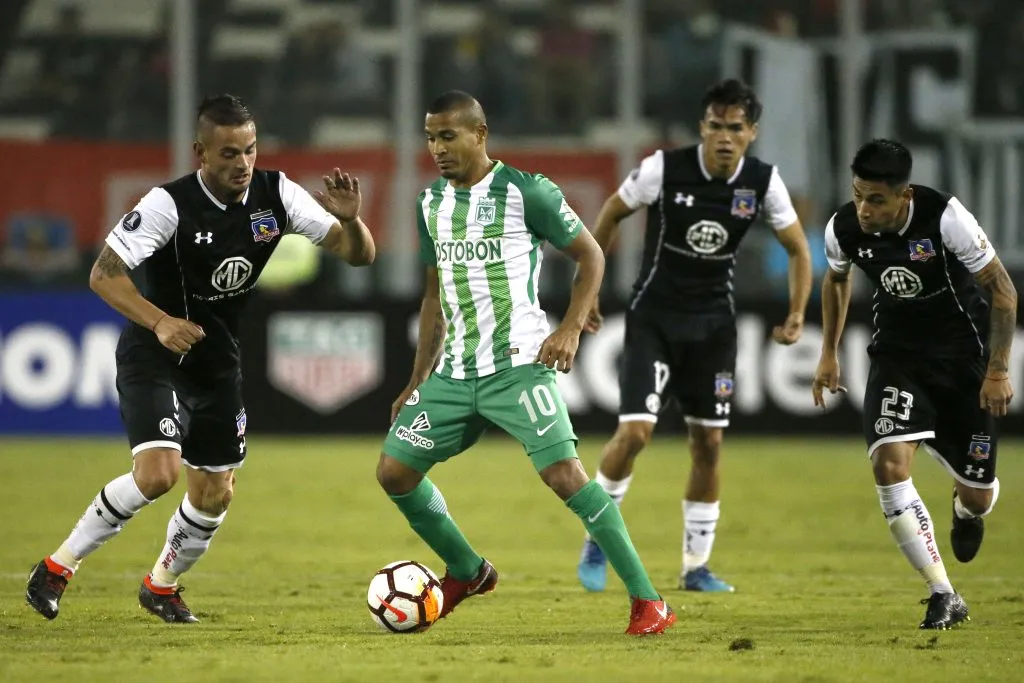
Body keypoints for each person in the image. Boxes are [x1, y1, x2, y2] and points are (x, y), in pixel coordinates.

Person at [25, 94, 376, 623]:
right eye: (229, 153)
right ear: (201, 153)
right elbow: (103, 274)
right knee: (158, 473)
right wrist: (160, 321)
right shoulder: (168, 205)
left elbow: (360, 254)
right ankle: (56, 568)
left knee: (215, 493)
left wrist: (351, 222)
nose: (243, 164)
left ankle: (160, 586)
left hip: (215, 361)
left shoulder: (277, 193)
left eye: (250, 150)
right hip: (155, 353)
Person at [376, 90, 675, 635]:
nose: (437, 148)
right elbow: (432, 297)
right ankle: (468, 570)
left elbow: (592, 255)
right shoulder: (429, 204)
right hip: (454, 374)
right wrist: (417, 379)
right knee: (394, 471)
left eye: (448, 136)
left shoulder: (526, 191)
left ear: (479, 135)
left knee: (564, 475)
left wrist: (569, 328)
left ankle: (648, 600)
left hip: (518, 366)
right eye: (430, 137)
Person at [577, 79, 812, 593]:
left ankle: (695, 567)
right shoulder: (664, 168)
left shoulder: (763, 183)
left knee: (707, 444)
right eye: (715, 126)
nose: (724, 137)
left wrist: (797, 312)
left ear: (752, 132)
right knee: (635, 433)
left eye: (735, 128)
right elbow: (612, 213)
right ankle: (598, 537)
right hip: (653, 321)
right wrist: (589, 290)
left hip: (712, 330)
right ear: (702, 127)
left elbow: (797, 248)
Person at [811, 139, 1017, 629]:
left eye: (875, 199)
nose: (863, 208)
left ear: (904, 196)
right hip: (898, 361)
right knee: (889, 464)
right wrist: (828, 351)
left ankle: (965, 512)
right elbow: (837, 279)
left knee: (978, 495)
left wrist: (998, 370)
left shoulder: (946, 219)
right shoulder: (842, 227)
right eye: (858, 195)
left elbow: (1003, 291)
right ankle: (943, 592)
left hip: (963, 366)